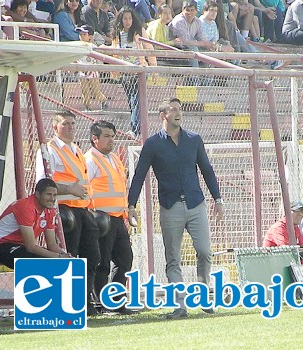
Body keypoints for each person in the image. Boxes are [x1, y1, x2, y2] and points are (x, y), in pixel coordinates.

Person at [128, 97, 225, 319]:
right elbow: (139, 175)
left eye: (180, 109)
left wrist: (218, 199)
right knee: (173, 257)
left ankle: (203, 296)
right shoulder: (152, 144)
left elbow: (207, 170)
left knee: (204, 251)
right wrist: (131, 204)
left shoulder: (194, 139)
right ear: (163, 115)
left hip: (195, 203)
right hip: (170, 206)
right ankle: (179, 305)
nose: (178, 113)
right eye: (173, 110)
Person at [35, 111, 101, 315]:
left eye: (73, 123)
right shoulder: (48, 150)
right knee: (68, 254)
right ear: (55, 127)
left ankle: (85, 300)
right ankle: (67, 302)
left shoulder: (77, 150)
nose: (71, 127)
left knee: (92, 255)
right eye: (65, 124)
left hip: (82, 209)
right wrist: (68, 190)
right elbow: (43, 182)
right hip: (62, 210)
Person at [84, 121, 135, 315]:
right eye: (106, 136)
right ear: (94, 139)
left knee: (124, 260)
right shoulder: (90, 159)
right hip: (100, 218)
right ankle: (100, 302)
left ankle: (115, 302)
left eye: (113, 136)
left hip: (117, 218)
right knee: (102, 262)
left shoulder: (114, 158)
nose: (111, 140)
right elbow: (85, 188)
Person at [0, 179, 72, 268]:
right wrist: (58, 257)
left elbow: (52, 244)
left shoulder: (50, 211)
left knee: (66, 263)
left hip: (20, 245)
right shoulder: (25, 207)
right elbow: (31, 247)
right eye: (49, 194)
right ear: (38, 194)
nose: (52, 199)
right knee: (36, 262)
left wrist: (66, 256)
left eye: (54, 195)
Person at [111, 6, 157, 136]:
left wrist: (153, 68)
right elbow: (114, 50)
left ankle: (135, 129)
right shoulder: (117, 33)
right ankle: (138, 129)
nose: (127, 21)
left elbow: (149, 48)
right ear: (120, 20)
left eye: (130, 18)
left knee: (136, 100)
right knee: (131, 102)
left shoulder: (139, 31)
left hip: (138, 71)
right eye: (125, 18)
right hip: (124, 72)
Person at [76, 24, 110, 112]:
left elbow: (99, 59)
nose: (81, 36)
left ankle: (103, 101)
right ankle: (87, 107)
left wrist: (99, 68)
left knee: (95, 91)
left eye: (84, 34)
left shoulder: (93, 47)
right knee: (85, 91)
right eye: (80, 34)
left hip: (92, 71)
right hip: (82, 71)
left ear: (90, 36)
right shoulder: (77, 46)